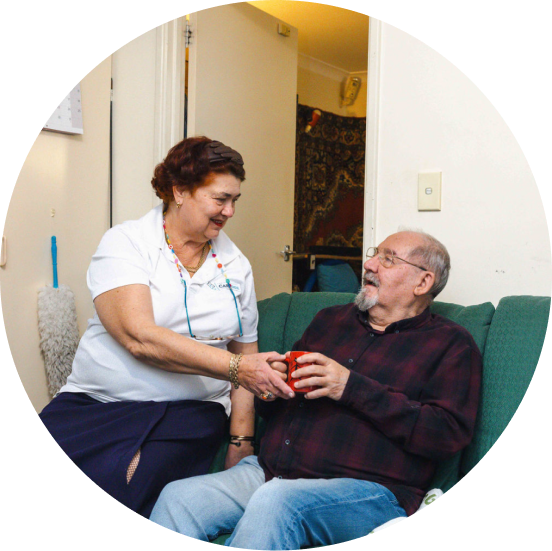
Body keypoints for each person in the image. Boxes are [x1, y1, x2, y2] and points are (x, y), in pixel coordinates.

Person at [149, 230, 482, 548]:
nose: (369, 264)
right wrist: (272, 386)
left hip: (371, 492)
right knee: (179, 498)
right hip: (271, 473)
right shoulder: (331, 320)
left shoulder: (451, 344)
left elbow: (445, 435)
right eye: (374, 255)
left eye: (389, 259)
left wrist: (350, 387)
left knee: (277, 501)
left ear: (423, 282)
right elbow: (274, 405)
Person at [39, 137, 294, 519]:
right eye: (220, 198)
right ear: (179, 191)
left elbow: (246, 353)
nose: (230, 211)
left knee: (126, 478)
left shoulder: (236, 265)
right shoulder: (127, 243)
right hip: (96, 402)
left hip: (189, 411)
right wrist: (238, 369)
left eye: (235, 200)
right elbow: (139, 338)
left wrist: (241, 442)